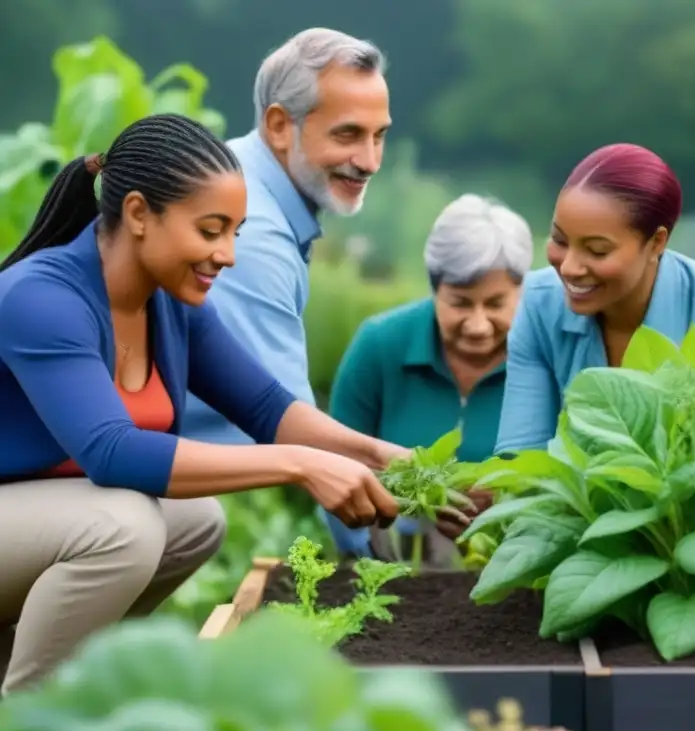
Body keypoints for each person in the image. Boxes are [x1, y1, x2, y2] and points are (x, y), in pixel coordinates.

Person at [0, 114, 406, 696]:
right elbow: (111, 452)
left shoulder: (168, 302)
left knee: (193, 522)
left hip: (28, 527)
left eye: (236, 233)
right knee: (126, 528)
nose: (227, 254)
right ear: (139, 214)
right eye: (211, 230)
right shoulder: (43, 299)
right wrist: (301, 465)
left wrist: (379, 455)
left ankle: (64, 689)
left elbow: (268, 409)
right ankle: (31, 723)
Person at [182, 27, 391, 444]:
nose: (369, 161)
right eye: (347, 134)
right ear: (279, 126)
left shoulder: (238, 173)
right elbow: (288, 434)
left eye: (379, 135)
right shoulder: (252, 234)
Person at [494, 143, 695, 454]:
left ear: (656, 243)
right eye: (559, 240)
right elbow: (521, 459)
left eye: (597, 250)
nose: (569, 267)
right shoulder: (538, 303)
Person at [323, 194, 533, 561]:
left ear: (522, 292)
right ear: (435, 289)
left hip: (517, 568)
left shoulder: (544, 359)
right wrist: (373, 559)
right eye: (461, 303)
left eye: (496, 304)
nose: (479, 325)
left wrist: (506, 505)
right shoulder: (381, 345)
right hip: (391, 563)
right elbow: (332, 465)